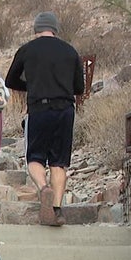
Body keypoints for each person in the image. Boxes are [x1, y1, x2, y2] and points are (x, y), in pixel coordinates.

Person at [5, 12, 84, 226]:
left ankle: (43, 188)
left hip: (39, 109)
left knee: (35, 158)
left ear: (36, 29)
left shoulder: (27, 50)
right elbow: (79, 88)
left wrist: (31, 86)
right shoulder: (70, 51)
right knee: (59, 163)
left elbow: (10, 80)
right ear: (55, 29)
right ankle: (57, 210)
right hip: (65, 110)